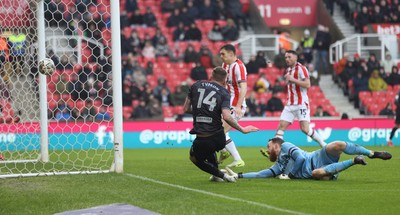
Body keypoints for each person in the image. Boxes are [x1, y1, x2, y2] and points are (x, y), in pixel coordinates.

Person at [183, 67, 258, 182]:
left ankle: (222, 176)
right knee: (210, 147)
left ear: (211, 75)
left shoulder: (196, 85)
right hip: (219, 138)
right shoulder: (224, 92)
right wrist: (242, 129)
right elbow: (227, 116)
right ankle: (217, 172)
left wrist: (201, 111)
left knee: (194, 158)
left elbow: (186, 108)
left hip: (203, 137)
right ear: (225, 80)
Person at [226, 137, 392, 181]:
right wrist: (239, 175)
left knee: (337, 145)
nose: (267, 149)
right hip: (317, 171)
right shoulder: (277, 166)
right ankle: (354, 161)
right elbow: (261, 174)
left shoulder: (285, 146)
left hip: (317, 156)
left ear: (276, 145)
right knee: (317, 173)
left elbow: (299, 159)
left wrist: (290, 176)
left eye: (269, 146)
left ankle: (372, 153)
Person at [275, 50, 326, 147]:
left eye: (289, 57)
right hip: (290, 104)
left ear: (295, 57)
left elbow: (307, 84)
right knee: (281, 126)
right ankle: (276, 150)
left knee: (305, 129)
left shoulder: (302, 69)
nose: (287, 59)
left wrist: (292, 79)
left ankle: (323, 144)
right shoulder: (288, 70)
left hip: (301, 104)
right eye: (286, 57)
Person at [218, 44, 248, 168]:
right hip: (226, 104)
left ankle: (236, 158)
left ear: (231, 54)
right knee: (217, 130)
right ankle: (224, 151)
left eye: (223, 54)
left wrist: (239, 106)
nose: (221, 57)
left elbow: (244, 88)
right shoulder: (224, 66)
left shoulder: (239, 67)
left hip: (235, 105)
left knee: (220, 131)